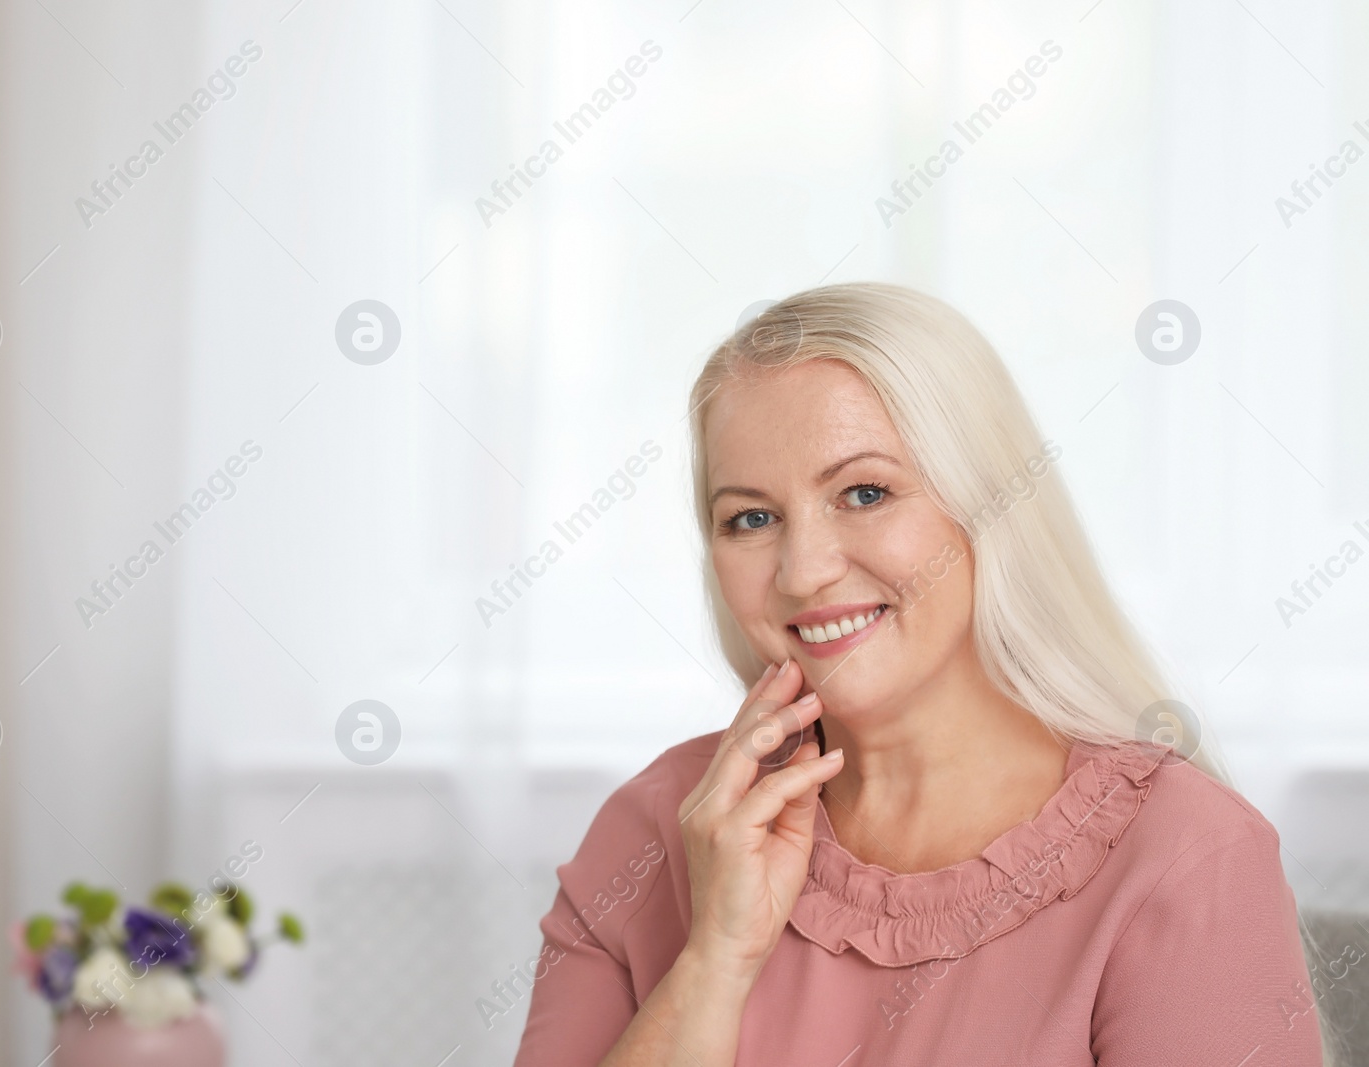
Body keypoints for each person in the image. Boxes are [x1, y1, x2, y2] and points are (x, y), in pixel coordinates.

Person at [512, 283, 1332, 1065]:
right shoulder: (657, 827)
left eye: (864, 492)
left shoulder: (1187, 856)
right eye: (751, 518)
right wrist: (715, 962)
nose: (804, 571)